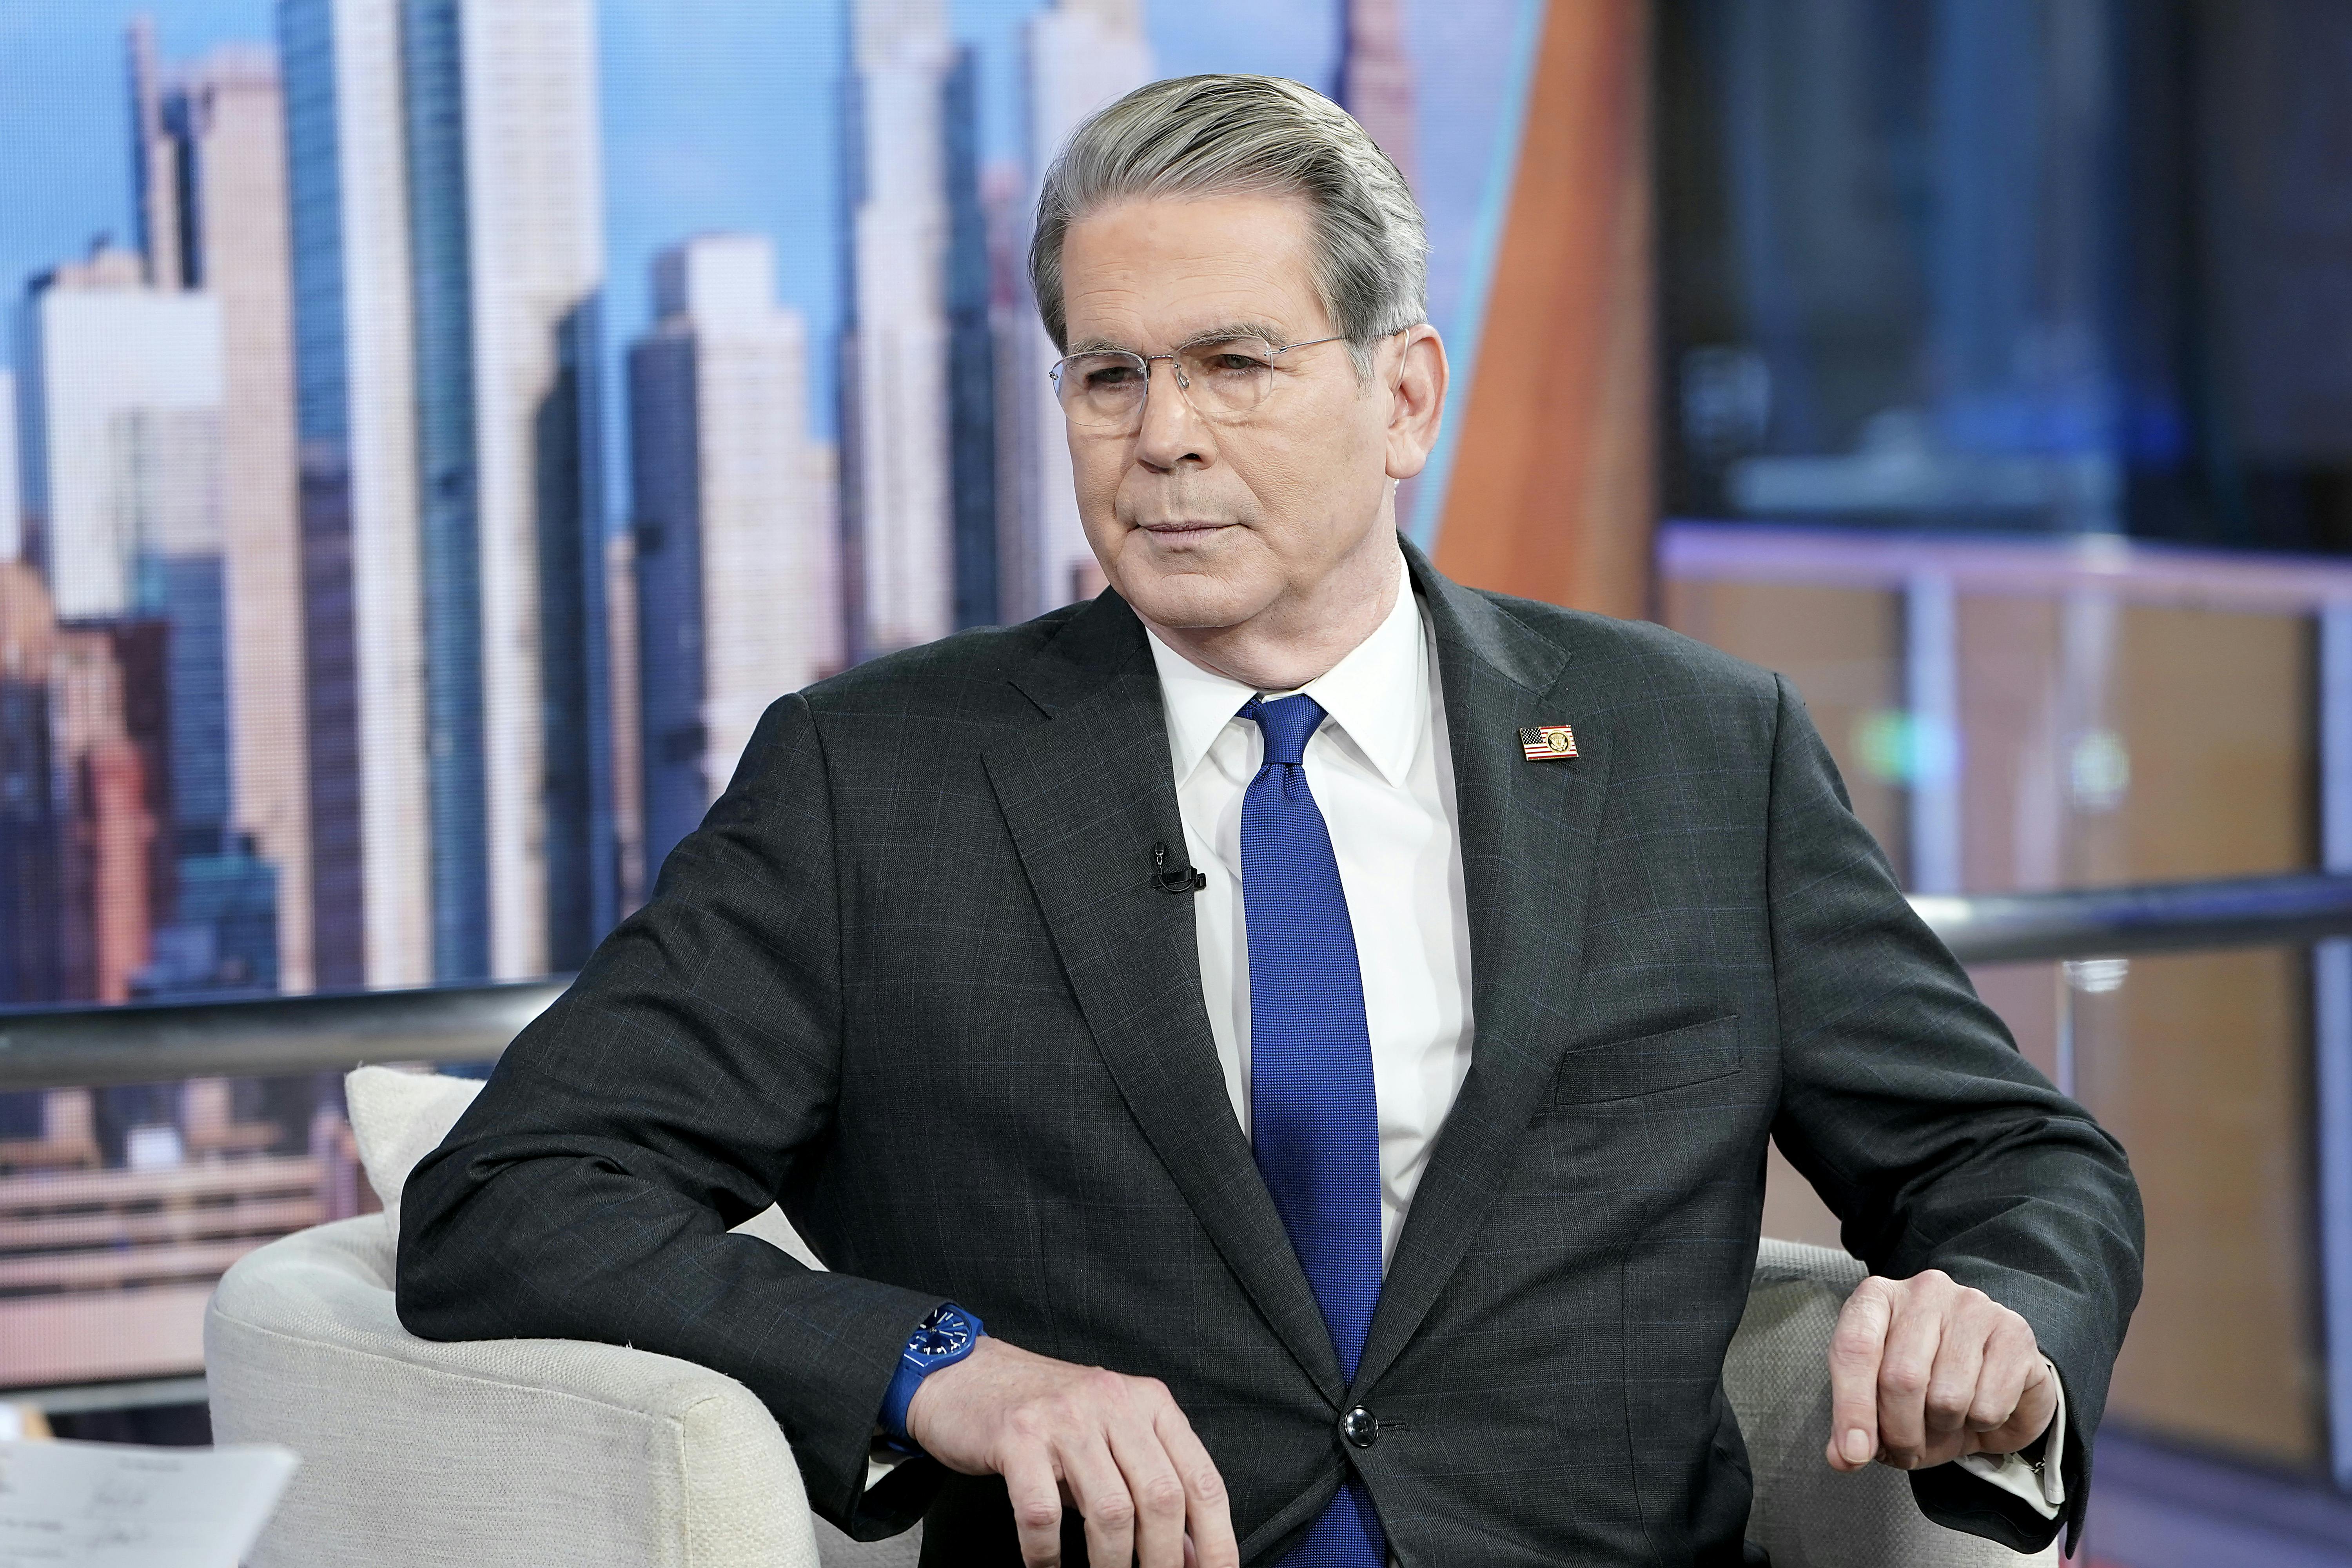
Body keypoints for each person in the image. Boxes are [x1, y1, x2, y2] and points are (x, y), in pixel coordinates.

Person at [398, 74, 2141, 1568]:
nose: (1160, 440)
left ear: (1405, 398)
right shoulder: (880, 778)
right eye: (1107, 376)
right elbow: (514, 1194)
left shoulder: (1695, 747)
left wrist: (1997, 1305)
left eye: (1236, 363)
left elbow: (2012, 1160)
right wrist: (944, 1367)